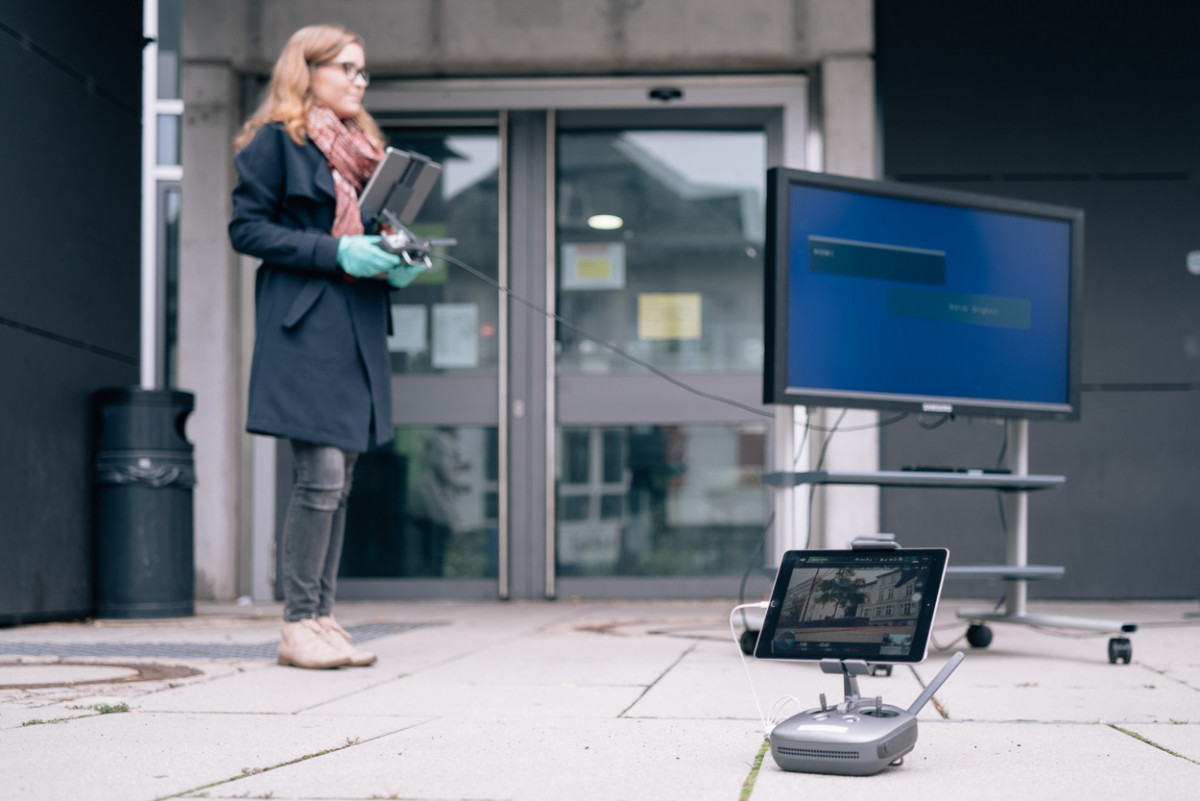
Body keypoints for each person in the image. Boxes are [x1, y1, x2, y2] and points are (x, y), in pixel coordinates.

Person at [229, 25, 425, 669]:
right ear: (306, 70)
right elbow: (247, 229)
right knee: (320, 477)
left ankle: (321, 617)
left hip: (357, 324)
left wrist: (398, 256)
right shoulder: (274, 142)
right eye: (347, 67)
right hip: (306, 326)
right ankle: (296, 625)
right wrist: (335, 249)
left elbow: (375, 232)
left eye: (364, 71)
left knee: (340, 484)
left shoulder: (365, 150)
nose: (358, 80)